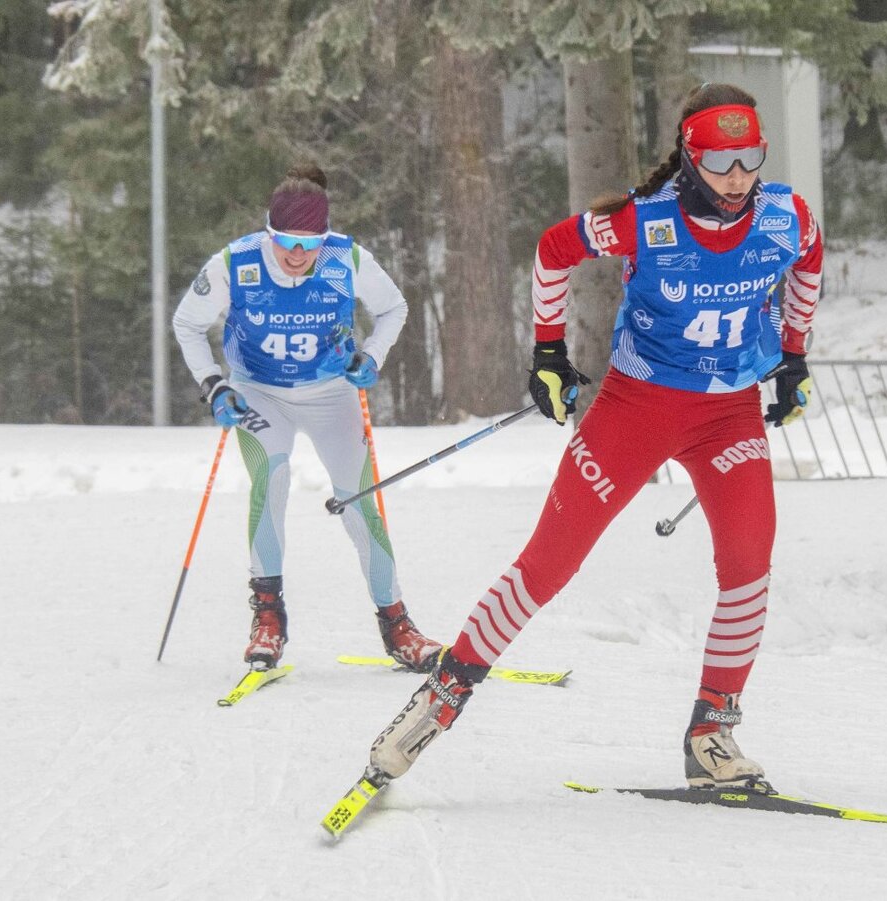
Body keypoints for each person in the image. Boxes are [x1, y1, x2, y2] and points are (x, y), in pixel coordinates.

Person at [367, 83, 823, 791]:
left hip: (728, 414)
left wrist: (792, 357)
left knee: (749, 563)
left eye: (750, 158)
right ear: (691, 156)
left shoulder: (785, 216)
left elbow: (809, 263)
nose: (738, 177)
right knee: (548, 564)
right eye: (720, 161)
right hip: (636, 409)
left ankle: (712, 732)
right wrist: (548, 352)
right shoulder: (646, 220)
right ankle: (439, 699)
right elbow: (554, 250)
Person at [172, 162, 442, 673]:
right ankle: (268, 617)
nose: (297, 255)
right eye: (286, 242)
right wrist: (214, 384)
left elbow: (394, 308)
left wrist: (372, 355)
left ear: (325, 236)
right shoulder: (235, 262)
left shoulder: (347, 258)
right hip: (259, 393)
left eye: (309, 243)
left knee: (359, 498)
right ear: (268, 233)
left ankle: (397, 625)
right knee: (271, 477)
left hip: (331, 392)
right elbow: (187, 323)